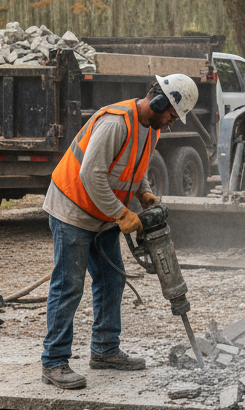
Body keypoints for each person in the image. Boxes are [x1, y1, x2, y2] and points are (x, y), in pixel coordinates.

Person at [40, 74, 199, 389]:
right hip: (72, 208)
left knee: (112, 280)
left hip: (102, 214)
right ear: (159, 102)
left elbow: (133, 167)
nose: (170, 122)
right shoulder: (116, 123)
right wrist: (122, 214)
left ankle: (104, 349)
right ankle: (54, 362)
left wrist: (143, 193)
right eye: (170, 115)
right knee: (68, 285)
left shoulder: (149, 131)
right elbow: (91, 173)